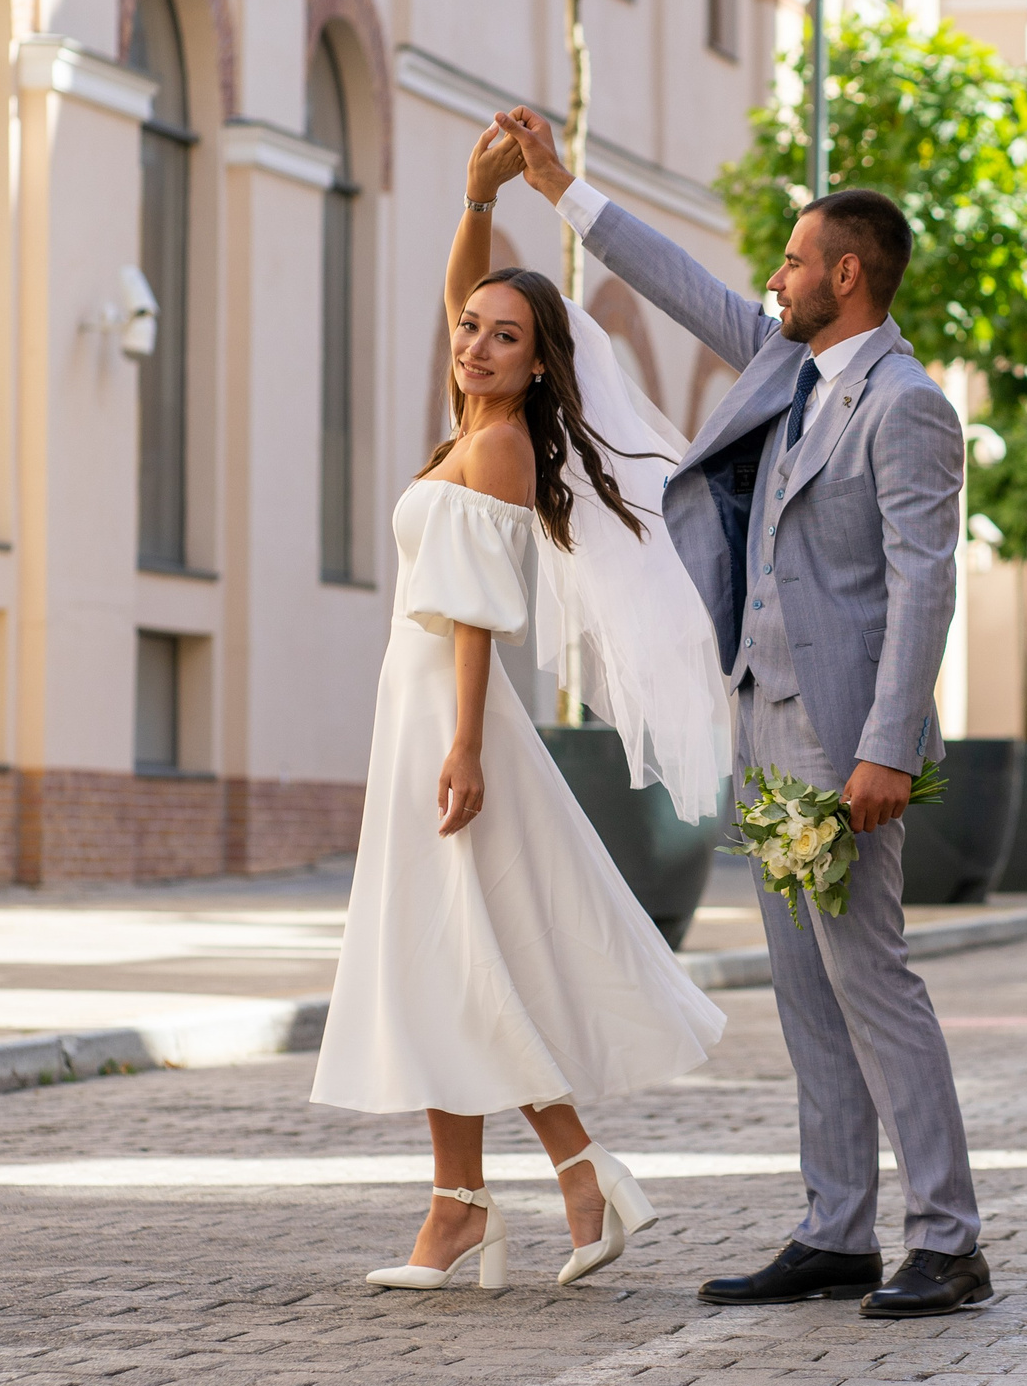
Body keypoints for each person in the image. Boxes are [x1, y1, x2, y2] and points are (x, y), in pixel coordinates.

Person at [493, 105, 991, 1319]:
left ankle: (948, 1237)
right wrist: (563, 190)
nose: (771, 277)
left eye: (790, 258)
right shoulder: (790, 365)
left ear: (846, 274)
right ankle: (836, 1228)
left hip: (847, 740)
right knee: (804, 986)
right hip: (767, 718)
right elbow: (686, 289)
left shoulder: (907, 403)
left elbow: (927, 583)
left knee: (871, 978)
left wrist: (886, 746)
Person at [309, 126, 731, 1292]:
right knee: (443, 960)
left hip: (451, 719)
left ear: (541, 364)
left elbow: (477, 613)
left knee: (462, 960)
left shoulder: (496, 453)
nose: (478, 344)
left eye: (506, 338)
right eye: (472, 332)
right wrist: (474, 200)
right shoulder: (469, 421)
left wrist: (460, 746)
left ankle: (552, 1183)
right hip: (420, 713)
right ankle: (494, 1199)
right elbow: (463, 291)